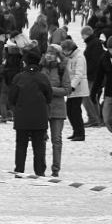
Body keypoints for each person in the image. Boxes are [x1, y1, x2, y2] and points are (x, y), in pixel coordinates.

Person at [8, 48, 54, 176]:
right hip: (40, 117)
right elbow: (49, 97)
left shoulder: (19, 77)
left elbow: (11, 97)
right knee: (39, 145)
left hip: (22, 116)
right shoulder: (43, 77)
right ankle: (39, 172)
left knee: (21, 144)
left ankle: (19, 170)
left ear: (25, 63)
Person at [41, 44, 72, 176]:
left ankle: (55, 169)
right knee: (41, 138)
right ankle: (40, 167)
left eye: (52, 54)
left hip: (58, 109)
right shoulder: (40, 67)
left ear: (57, 56)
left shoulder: (62, 69)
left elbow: (67, 89)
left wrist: (50, 90)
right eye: (48, 53)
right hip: (42, 108)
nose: (49, 55)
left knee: (56, 139)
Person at [61, 39, 88, 141]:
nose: (64, 52)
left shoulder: (79, 57)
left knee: (75, 111)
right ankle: (76, 131)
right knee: (70, 110)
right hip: (72, 88)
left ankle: (80, 133)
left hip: (78, 88)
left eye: (65, 50)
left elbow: (79, 74)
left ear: (70, 49)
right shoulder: (71, 57)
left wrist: (72, 86)